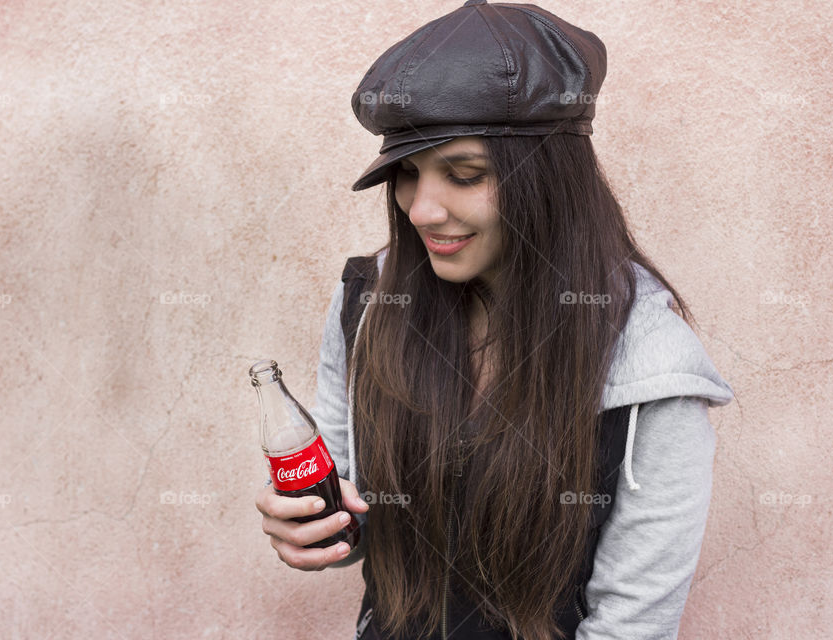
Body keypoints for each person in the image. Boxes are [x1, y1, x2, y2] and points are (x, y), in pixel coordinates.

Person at [255, 2, 734, 639]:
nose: (422, 209)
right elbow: (353, 505)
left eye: (465, 174)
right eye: (406, 173)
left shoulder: (653, 371)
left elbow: (631, 628)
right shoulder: (370, 301)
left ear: (549, 180)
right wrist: (315, 527)